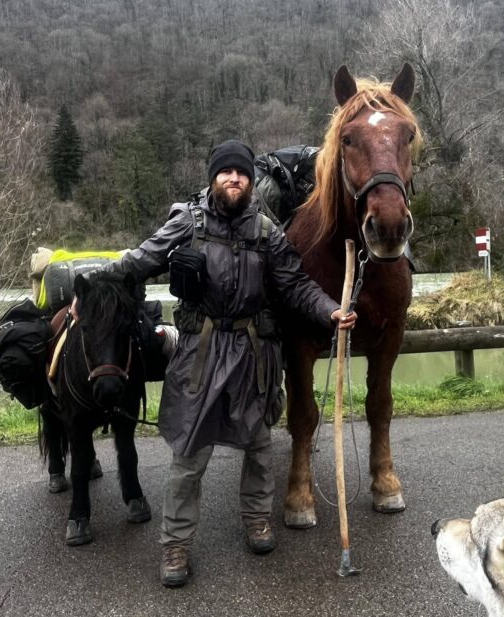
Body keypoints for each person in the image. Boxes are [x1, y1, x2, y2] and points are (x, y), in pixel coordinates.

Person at [110, 139, 356, 587]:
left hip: (252, 354)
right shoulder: (187, 222)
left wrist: (330, 311)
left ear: (249, 180)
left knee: (260, 446)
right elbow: (142, 259)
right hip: (199, 354)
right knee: (189, 453)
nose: (234, 179)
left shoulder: (266, 232)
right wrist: (101, 277)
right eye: (225, 172)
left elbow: (296, 285)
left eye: (241, 173)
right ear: (213, 178)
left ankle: (257, 519)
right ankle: (176, 544)